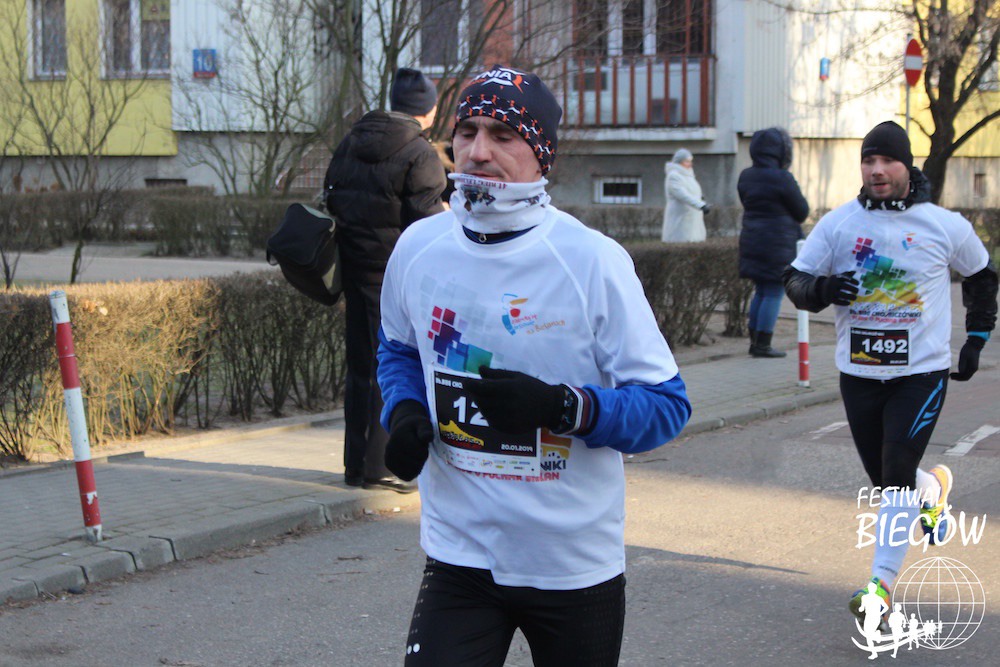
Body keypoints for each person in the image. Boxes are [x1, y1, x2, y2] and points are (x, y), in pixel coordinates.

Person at [375, 65, 692, 666]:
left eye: (503, 135)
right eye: (467, 131)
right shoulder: (418, 247)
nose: (478, 151)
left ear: (542, 153)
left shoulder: (591, 260)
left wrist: (562, 407)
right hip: (461, 552)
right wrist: (407, 410)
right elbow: (397, 349)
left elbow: (667, 406)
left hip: (571, 564)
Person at [783, 121, 997, 626]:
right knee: (886, 479)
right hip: (858, 373)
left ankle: (879, 587)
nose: (877, 170)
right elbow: (794, 279)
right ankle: (933, 489)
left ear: (907, 165)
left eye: (887, 161)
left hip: (920, 373)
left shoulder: (943, 225)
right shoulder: (839, 224)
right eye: (868, 161)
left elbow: (983, 275)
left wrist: (977, 337)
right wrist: (822, 290)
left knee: (896, 474)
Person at [323, 67, 447, 493]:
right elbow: (428, 227)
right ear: (428, 110)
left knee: (361, 367)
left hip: (354, 269)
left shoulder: (352, 140)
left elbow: (333, 195)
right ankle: (382, 467)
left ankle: (356, 465)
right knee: (394, 367)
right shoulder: (420, 152)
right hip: (396, 277)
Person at [738, 127, 810, 358]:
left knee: (760, 291)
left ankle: (754, 341)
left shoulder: (746, 176)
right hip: (777, 244)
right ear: (782, 151)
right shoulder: (782, 178)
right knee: (773, 292)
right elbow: (802, 211)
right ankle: (763, 344)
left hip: (752, 239)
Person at [661, 148, 709, 242]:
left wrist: (701, 199)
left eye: (690, 161)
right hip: (681, 217)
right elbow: (682, 195)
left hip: (692, 216)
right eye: (687, 161)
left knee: (693, 241)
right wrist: (700, 205)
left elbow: (692, 191)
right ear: (679, 162)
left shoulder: (688, 175)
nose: (690, 164)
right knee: (680, 242)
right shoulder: (674, 176)